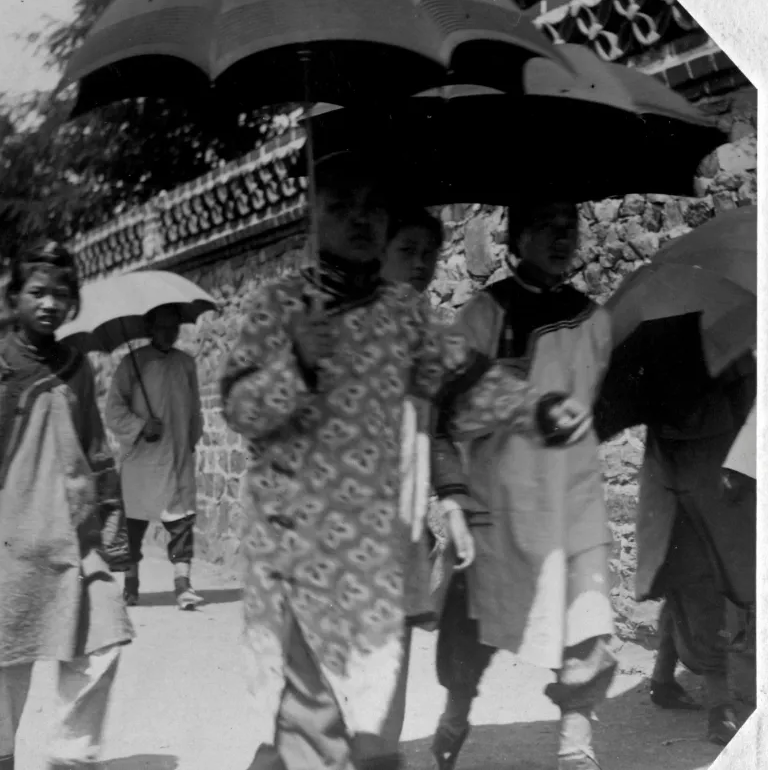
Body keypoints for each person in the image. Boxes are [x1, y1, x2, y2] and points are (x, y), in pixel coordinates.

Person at [221, 155, 591, 770]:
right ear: (313, 215)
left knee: (375, 711)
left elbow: (466, 384)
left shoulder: (405, 313)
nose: (359, 219)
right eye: (341, 206)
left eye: (372, 207)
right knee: (311, 715)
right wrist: (297, 365)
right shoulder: (278, 306)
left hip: (378, 547)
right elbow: (240, 408)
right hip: (296, 545)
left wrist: (537, 411)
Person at [0, 239, 134, 770]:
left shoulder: (77, 368)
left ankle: (70, 756)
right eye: (37, 292)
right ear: (13, 299)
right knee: (1, 669)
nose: (49, 303)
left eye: (60, 294)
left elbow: (96, 451)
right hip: (9, 549)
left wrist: (111, 532)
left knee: (102, 640)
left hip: (75, 545)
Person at [431, 201, 617, 770]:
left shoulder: (593, 319)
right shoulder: (486, 315)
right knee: (473, 630)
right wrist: (511, 391)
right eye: (547, 227)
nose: (562, 238)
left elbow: (595, 403)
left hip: (572, 498)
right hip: (503, 501)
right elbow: (448, 410)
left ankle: (576, 746)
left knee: (585, 620)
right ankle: (456, 714)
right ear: (518, 237)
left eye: (569, 228)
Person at [377, 205, 475, 752]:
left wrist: (453, 500)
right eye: (406, 251)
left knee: (390, 662)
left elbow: (437, 430)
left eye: (429, 254)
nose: (420, 264)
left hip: (402, 527)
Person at [633, 350, 756, 745]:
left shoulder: (735, 356)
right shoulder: (679, 360)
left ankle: (662, 679)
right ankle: (720, 708)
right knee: (700, 586)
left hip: (714, 484)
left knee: (688, 585)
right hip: (690, 490)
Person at [105, 304, 205, 610]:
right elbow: (114, 411)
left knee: (182, 522)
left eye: (174, 327)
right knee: (134, 525)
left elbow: (195, 409)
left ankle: (183, 586)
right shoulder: (132, 364)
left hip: (176, 455)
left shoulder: (185, 364)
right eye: (162, 327)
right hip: (142, 459)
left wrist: (190, 441)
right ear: (150, 329)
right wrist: (140, 426)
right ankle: (131, 584)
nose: (169, 333)